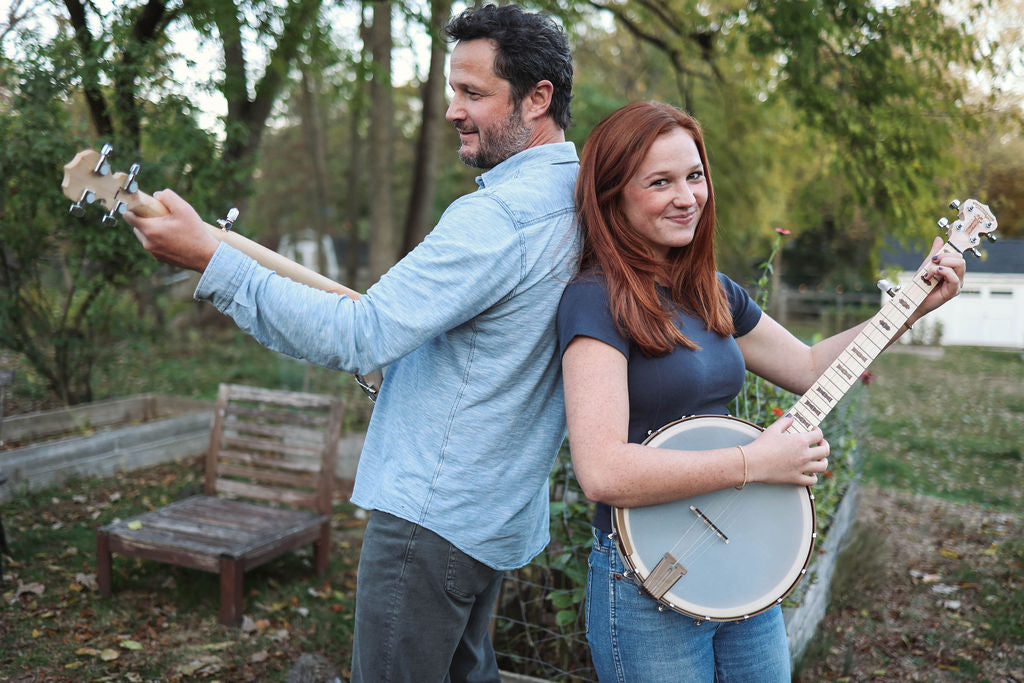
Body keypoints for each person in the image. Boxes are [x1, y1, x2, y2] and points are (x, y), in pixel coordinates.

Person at [125, 5, 578, 681]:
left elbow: (356, 334)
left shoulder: (497, 218)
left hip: (430, 522)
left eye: (473, 93)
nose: (452, 110)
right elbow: (490, 353)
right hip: (493, 520)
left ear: (538, 98)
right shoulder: (581, 200)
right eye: (453, 89)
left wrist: (210, 263)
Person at [556, 101, 966, 682]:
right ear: (612, 196)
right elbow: (602, 472)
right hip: (647, 574)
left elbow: (809, 366)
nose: (686, 196)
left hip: (742, 561)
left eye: (694, 176)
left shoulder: (713, 292)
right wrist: (756, 462)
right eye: (660, 182)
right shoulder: (595, 300)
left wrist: (909, 307)